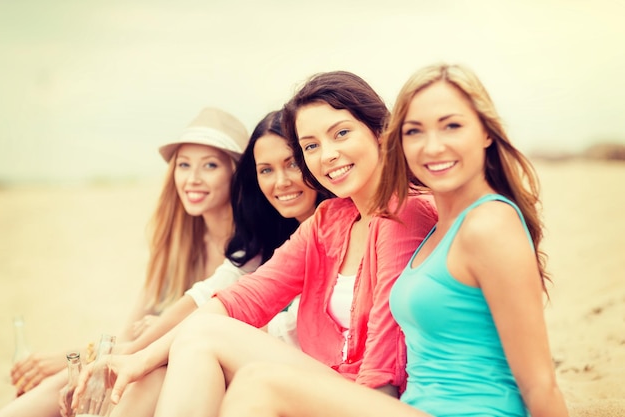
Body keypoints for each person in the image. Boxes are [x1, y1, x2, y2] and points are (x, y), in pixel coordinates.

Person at [72, 71, 438, 417]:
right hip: (330, 382)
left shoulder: (404, 211)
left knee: (204, 336)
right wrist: (140, 358)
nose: (326, 155)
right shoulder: (331, 219)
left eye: (340, 134)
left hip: (372, 399)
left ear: (379, 131)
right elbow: (245, 297)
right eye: (311, 145)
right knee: (171, 356)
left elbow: (386, 361)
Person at [217, 63, 570, 417]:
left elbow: (540, 383)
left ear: (486, 132)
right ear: (398, 139)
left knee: (259, 385)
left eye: (452, 126)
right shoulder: (441, 227)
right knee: (250, 380)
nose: (432, 146)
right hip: (418, 408)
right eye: (415, 131)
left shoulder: (489, 224)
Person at [64, 109, 327, 417]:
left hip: (311, 378)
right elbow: (210, 295)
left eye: (292, 163)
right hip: (264, 363)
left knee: (183, 352)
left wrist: (160, 346)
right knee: (157, 366)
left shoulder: (331, 226)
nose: (281, 181)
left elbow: (263, 322)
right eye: (266, 170)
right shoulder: (270, 236)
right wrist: (136, 351)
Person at [0, 106, 249, 417]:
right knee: (51, 387)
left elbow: (223, 332)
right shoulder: (177, 244)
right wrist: (72, 359)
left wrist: (160, 332)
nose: (193, 178)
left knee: (144, 375)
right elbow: (129, 334)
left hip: (203, 378)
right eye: (184, 165)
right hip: (144, 362)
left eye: (210, 165)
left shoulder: (249, 251)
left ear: (236, 174)